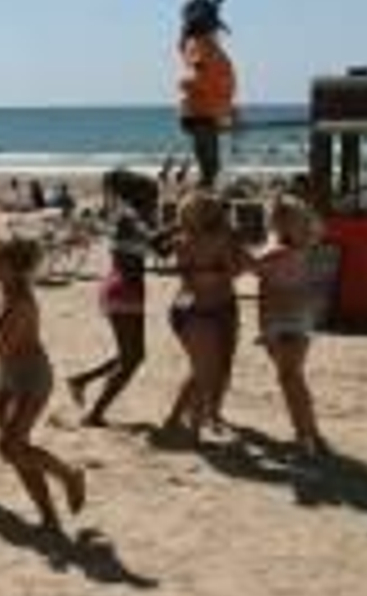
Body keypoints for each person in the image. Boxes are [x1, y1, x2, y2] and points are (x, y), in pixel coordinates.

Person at [0, 238, 86, 533]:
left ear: (9, 267)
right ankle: (48, 516)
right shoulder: (4, 290)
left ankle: (69, 474)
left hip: (31, 378)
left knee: (9, 447)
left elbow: (1, 347)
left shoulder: (21, 300)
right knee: (16, 450)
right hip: (8, 375)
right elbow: (2, 338)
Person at [68, 174, 159, 426]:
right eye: (153, 196)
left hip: (121, 288)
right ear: (141, 197)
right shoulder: (132, 218)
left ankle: (81, 381)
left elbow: (158, 247)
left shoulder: (129, 217)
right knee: (133, 358)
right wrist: (184, 225)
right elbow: (158, 244)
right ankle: (94, 413)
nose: (156, 201)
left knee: (131, 355)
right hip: (125, 290)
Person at [161, 193, 243, 444]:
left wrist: (208, 273)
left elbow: (194, 278)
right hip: (206, 309)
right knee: (207, 371)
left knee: (204, 370)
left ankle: (178, 420)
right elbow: (232, 271)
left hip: (196, 307)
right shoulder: (218, 240)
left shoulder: (184, 241)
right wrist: (215, 271)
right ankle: (193, 429)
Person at [254, 195, 327, 456]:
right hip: (290, 319)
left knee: (289, 378)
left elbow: (251, 267)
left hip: (285, 320)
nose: (279, 222)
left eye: (283, 218)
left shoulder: (281, 250)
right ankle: (311, 433)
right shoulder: (299, 246)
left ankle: (305, 436)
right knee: (293, 378)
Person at [177, 0, 238, 188]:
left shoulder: (207, 45)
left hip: (208, 111)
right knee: (210, 165)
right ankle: (202, 195)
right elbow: (199, 73)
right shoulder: (199, 45)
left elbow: (211, 77)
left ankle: (205, 191)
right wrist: (193, 83)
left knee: (211, 164)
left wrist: (229, 109)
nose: (216, 29)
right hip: (200, 112)